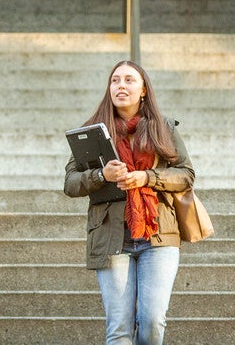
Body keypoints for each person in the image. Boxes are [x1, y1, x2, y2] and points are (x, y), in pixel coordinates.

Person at [64, 60, 194, 345]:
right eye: (115, 81)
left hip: (158, 235)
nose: (121, 86)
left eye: (129, 80)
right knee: (119, 327)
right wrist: (101, 175)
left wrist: (146, 177)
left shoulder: (163, 128)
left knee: (152, 322)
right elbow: (71, 183)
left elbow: (186, 176)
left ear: (144, 89)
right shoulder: (92, 131)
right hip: (112, 238)